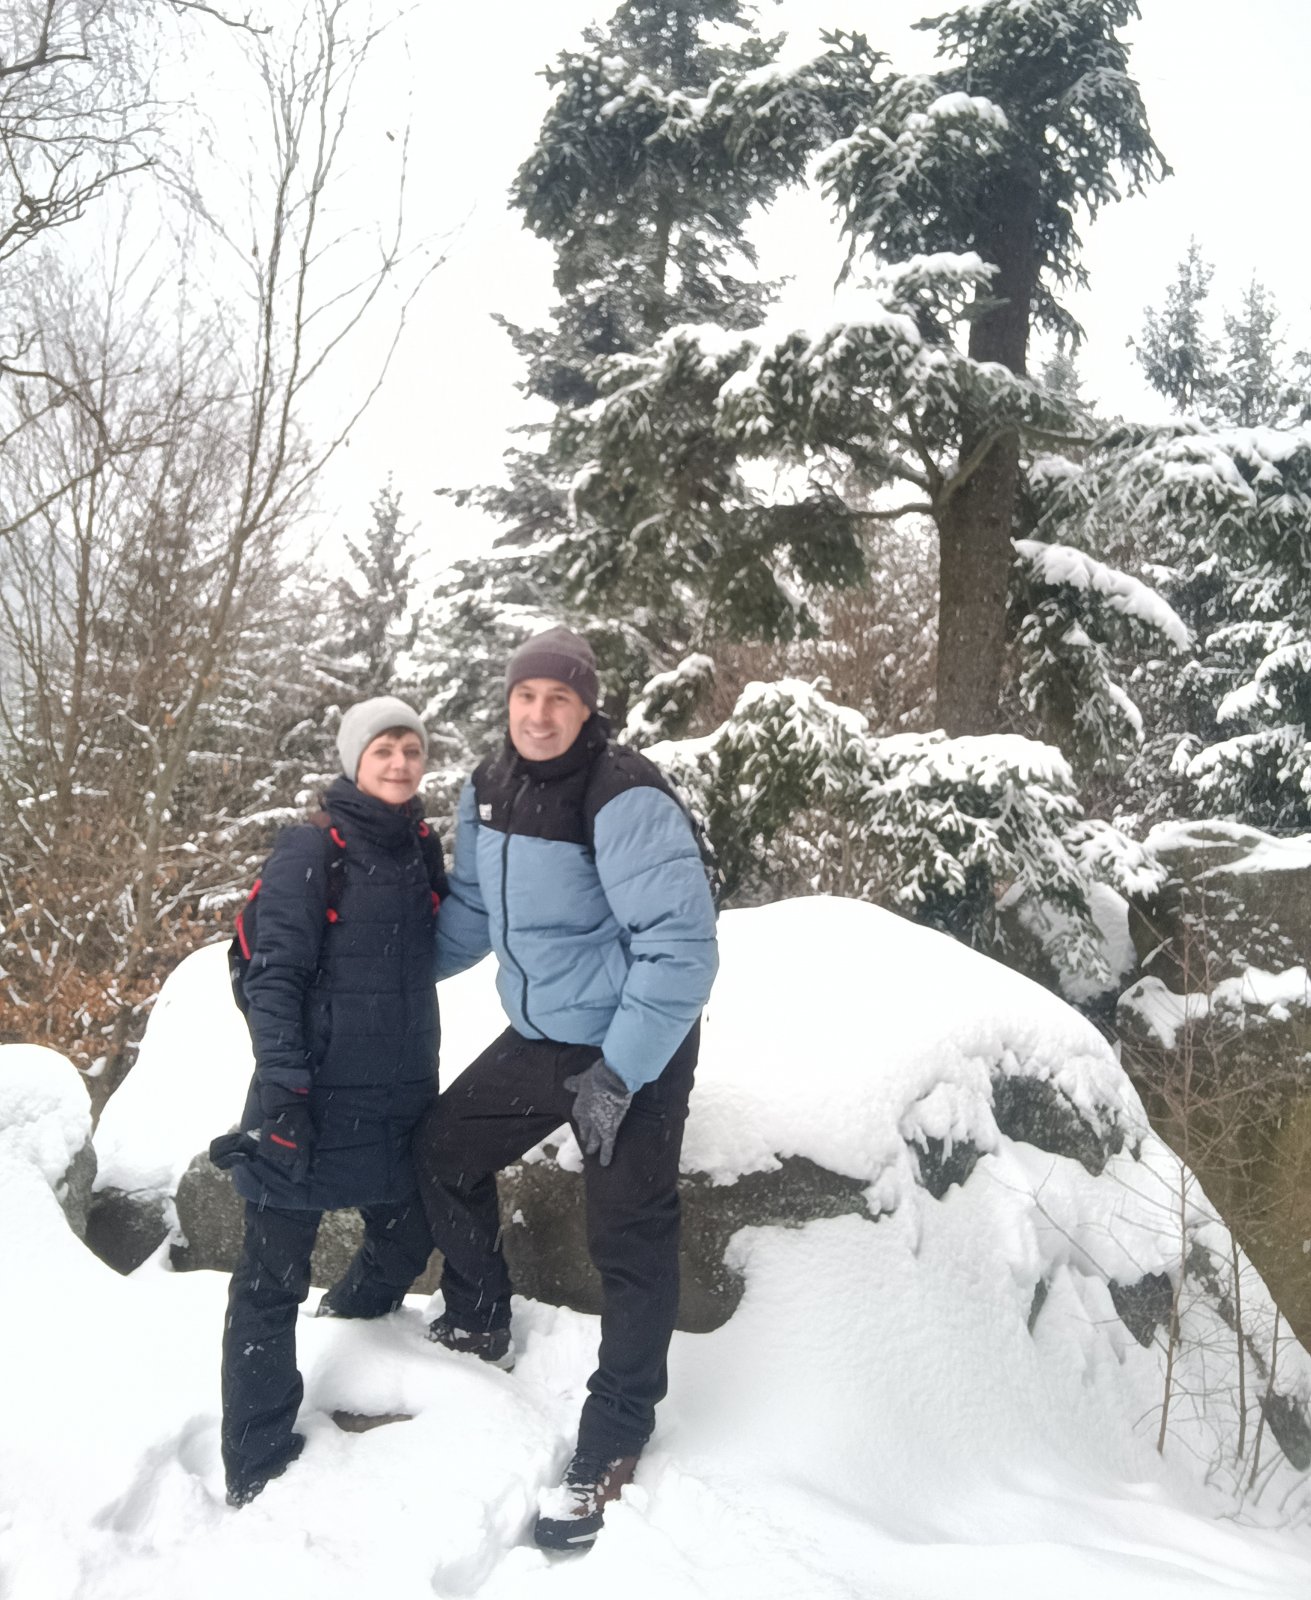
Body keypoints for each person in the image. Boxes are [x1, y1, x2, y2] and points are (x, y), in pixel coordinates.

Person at [414, 625, 718, 1551]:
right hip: (542, 1036)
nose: (538, 715)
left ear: (587, 708)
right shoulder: (489, 787)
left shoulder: (622, 795)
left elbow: (679, 950)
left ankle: (615, 1431)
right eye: (525, 696)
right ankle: (478, 1317)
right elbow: (472, 911)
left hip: (632, 1048)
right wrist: (370, 968)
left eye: (559, 699)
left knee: (626, 1233)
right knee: (441, 1150)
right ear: (506, 702)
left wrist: (617, 1076)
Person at [213, 697, 443, 1508]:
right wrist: (283, 1095)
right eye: (383, 749)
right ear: (354, 761)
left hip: (397, 1098)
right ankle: (256, 1459)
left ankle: (351, 1325)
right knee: (270, 1282)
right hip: (307, 1101)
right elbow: (271, 979)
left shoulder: (419, 848)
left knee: (409, 1232)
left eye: (411, 749)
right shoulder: (310, 850)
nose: (400, 763)